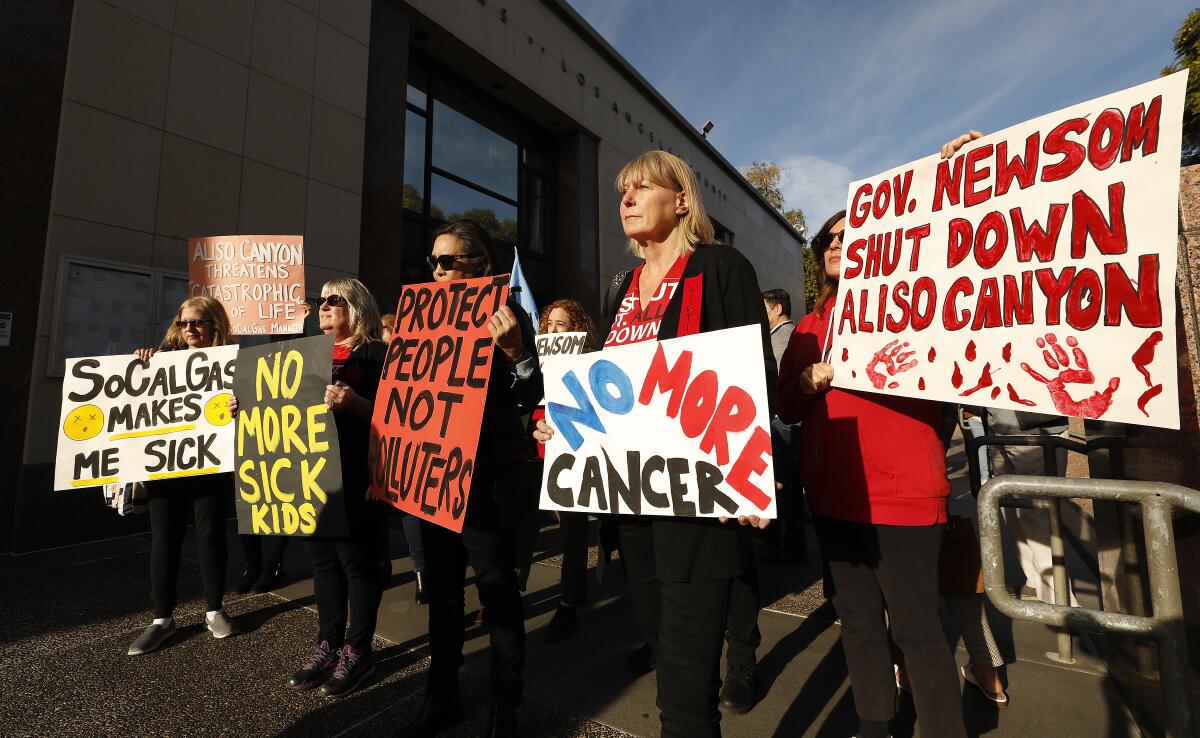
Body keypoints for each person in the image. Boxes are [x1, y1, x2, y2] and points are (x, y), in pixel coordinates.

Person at [534, 150, 773, 737]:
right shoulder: (620, 290)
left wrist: (753, 469)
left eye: (643, 187)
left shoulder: (721, 268)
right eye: (623, 191)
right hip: (634, 509)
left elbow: (753, 373)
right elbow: (614, 394)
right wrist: (563, 426)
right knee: (669, 662)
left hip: (701, 507)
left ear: (683, 200)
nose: (628, 198)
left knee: (685, 703)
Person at [777, 208, 967, 738]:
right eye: (827, 239)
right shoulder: (810, 328)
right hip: (835, 500)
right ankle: (874, 726)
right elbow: (785, 406)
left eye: (849, 236)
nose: (836, 244)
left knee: (916, 629)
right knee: (859, 626)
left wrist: (959, 166)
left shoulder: (915, 308)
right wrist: (803, 386)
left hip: (903, 496)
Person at [403, 220, 543, 738]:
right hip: (434, 479)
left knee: (497, 594)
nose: (436, 269)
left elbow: (530, 397)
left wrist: (515, 354)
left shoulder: (510, 319)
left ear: (479, 266)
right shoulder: (418, 324)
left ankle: (505, 703)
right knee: (442, 596)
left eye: (448, 261)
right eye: (432, 261)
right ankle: (442, 695)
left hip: (487, 483)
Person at [283, 278, 389, 697]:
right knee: (323, 564)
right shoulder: (303, 355)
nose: (323, 306)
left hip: (357, 475)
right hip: (311, 476)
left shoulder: (378, 355)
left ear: (357, 306)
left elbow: (402, 415)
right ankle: (328, 644)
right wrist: (247, 404)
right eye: (320, 300)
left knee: (357, 566)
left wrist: (357, 404)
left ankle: (359, 650)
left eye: (334, 299)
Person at [126, 296, 239, 655]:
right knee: (165, 538)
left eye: (198, 322)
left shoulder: (234, 364)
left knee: (210, 534)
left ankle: (214, 609)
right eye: (183, 323)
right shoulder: (159, 361)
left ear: (214, 326)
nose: (189, 329)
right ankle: (162, 618)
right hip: (166, 465)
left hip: (211, 462)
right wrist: (140, 364)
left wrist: (240, 403)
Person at [536, 299, 600, 643]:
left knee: (572, 533)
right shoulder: (535, 364)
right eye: (549, 324)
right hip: (538, 454)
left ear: (576, 328)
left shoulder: (592, 361)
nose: (553, 330)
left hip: (574, 457)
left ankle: (569, 600)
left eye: (561, 324)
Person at [381, 312, 428, 604]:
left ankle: (422, 573)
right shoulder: (375, 361)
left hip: (412, 446)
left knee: (411, 515)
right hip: (383, 448)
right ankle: (384, 564)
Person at [761, 289, 795, 369]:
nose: (759, 315)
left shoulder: (780, 339)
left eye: (762, 309)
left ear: (778, 309)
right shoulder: (795, 332)